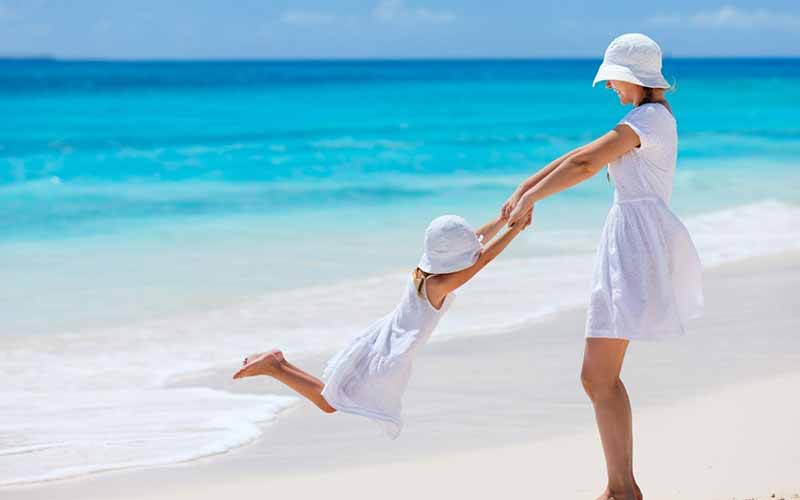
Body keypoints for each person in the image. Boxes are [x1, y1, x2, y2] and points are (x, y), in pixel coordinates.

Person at [503, 33, 703, 500]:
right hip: (630, 244)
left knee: (598, 375)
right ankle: (621, 487)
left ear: (627, 76)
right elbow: (576, 156)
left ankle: (622, 490)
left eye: (611, 79)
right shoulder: (644, 119)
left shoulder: (648, 119)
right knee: (598, 376)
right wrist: (524, 188)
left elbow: (588, 164)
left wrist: (532, 197)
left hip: (635, 249)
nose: (609, 87)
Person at [233, 210, 532, 438]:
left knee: (334, 394)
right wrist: (514, 230)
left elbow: (474, 246)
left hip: (382, 337)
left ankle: (278, 363)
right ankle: (274, 366)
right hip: (391, 353)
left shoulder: (424, 270)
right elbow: (480, 260)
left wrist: (502, 220)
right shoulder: (440, 284)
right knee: (330, 402)